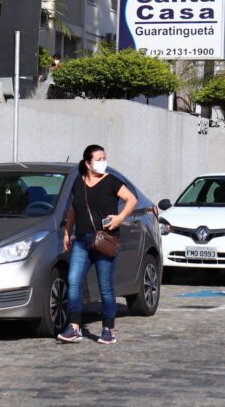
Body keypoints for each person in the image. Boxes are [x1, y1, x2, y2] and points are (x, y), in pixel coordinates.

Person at [58, 144, 137, 345]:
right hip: (82, 240)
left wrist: (119, 218)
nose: (103, 162)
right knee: (73, 281)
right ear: (88, 163)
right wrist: (67, 232)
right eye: (99, 159)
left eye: (104, 158)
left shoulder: (111, 181)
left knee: (106, 287)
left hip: (105, 240)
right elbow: (74, 209)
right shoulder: (79, 182)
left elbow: (131, 199)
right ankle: (74, 327)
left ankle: (108, 329)